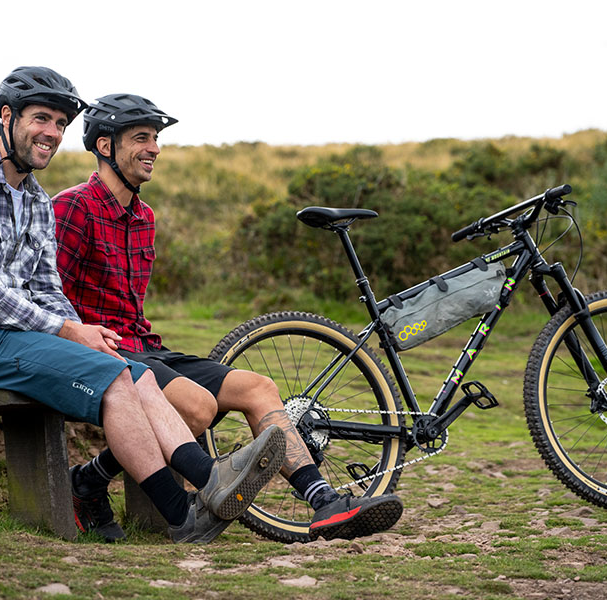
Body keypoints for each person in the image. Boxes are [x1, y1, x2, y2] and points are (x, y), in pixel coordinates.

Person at [0, 67, 286, 545]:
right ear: (7, 117)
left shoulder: (33, 199)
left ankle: (208, 484)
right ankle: (185, 509)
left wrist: (87, 334)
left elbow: (48, 288)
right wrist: (71, 333)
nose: (51, 133)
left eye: (59, 124)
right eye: (41, 119)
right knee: (116, 378)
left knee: (136, 371)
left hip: (20, 339)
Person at [52, 93, 403, 543]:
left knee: (258, 387)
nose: (155, 148)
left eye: (156, 139)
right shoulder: (72, 207)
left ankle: (324, 504)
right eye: (141, 138)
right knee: (197, 407)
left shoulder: (144, 216)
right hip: (102, 354)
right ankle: (92, 481)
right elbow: (49, 297)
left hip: (145, 346)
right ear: (105, 146)